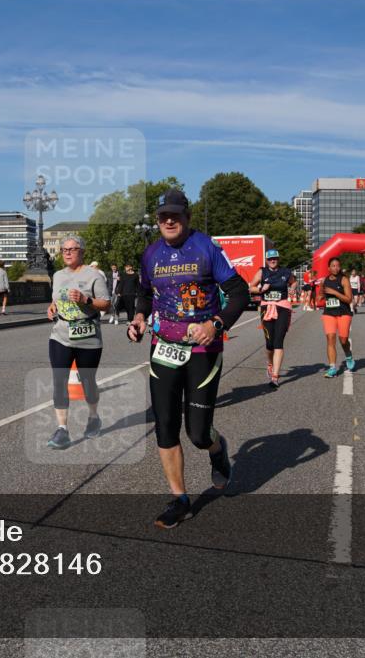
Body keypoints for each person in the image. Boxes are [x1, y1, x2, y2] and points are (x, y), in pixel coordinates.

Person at [127, 189, 250, 529]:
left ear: (187, 217)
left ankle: (216, 449)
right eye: (163, 216)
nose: (169, 221)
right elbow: (144, 293)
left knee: (198, 434)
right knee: (165, 425)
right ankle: (180, 500)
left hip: (202, 350)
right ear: (157, 220)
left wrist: (216, 324)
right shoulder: (150, 254)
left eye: (176, 215)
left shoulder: (206, 247)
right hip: (164, 348)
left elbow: (239, 292)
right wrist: (139, 318)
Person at [46, 235, 112, 449]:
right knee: (59, 380)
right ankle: (62, 430)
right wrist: (52, 307)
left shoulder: (94, 275)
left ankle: (93, 417)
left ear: (81, 252)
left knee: (87, 381)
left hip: (88, 337)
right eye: (64, 249)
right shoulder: (57, 275)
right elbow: (56, 299)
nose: (67, 253)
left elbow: (106, 305)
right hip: (60, 335)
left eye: (72, 249)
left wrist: (86, 299)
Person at [250, 249, 295, 388]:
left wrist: (292, 288)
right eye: (270, 259)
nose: (273, 261)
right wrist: (261, 289)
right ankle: (270, 364)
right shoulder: (262, 272)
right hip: (266, 308)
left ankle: (275, 377)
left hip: (283, 307)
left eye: (275, 258)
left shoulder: (285, 272)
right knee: (269, 343)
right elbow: (251, 287)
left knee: (278, 342)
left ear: (278, 259)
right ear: (266, 260)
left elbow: (293, 282)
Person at [317, 257, 354, 377]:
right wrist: (320, 297)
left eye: (338, 265)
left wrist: (335, 293)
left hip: (343, 313)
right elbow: (320, 295)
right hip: (329, 313)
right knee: (330, 338)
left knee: (343, 340)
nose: (336, 268)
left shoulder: (344, 280)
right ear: (329, 268)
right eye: (333, 266)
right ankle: (332, 367)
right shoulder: (324, 281)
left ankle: (348, 355)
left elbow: (349, 299)